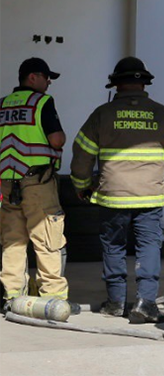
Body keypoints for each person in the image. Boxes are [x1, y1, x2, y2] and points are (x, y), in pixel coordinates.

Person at [70, 57, 164, 323]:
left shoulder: (102, 114)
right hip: (151, 195)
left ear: (115, 84)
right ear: (144, 83)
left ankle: (116, 302)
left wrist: (81, 185)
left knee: (114, 247)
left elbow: (82, 154)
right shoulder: (162, 113)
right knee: (148, 247)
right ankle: (146, 303)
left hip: (113, 195)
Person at [0, 58, 79, 314]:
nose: (49, 83)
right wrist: (63, 138)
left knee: (12, 241)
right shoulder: (42, 102)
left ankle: (12, 296)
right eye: (47, 77)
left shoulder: (2, 105)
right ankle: (53, 298)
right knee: (47, 239)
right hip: (36, 182)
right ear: (32, 77)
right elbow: (56, 140)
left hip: (6, 183)